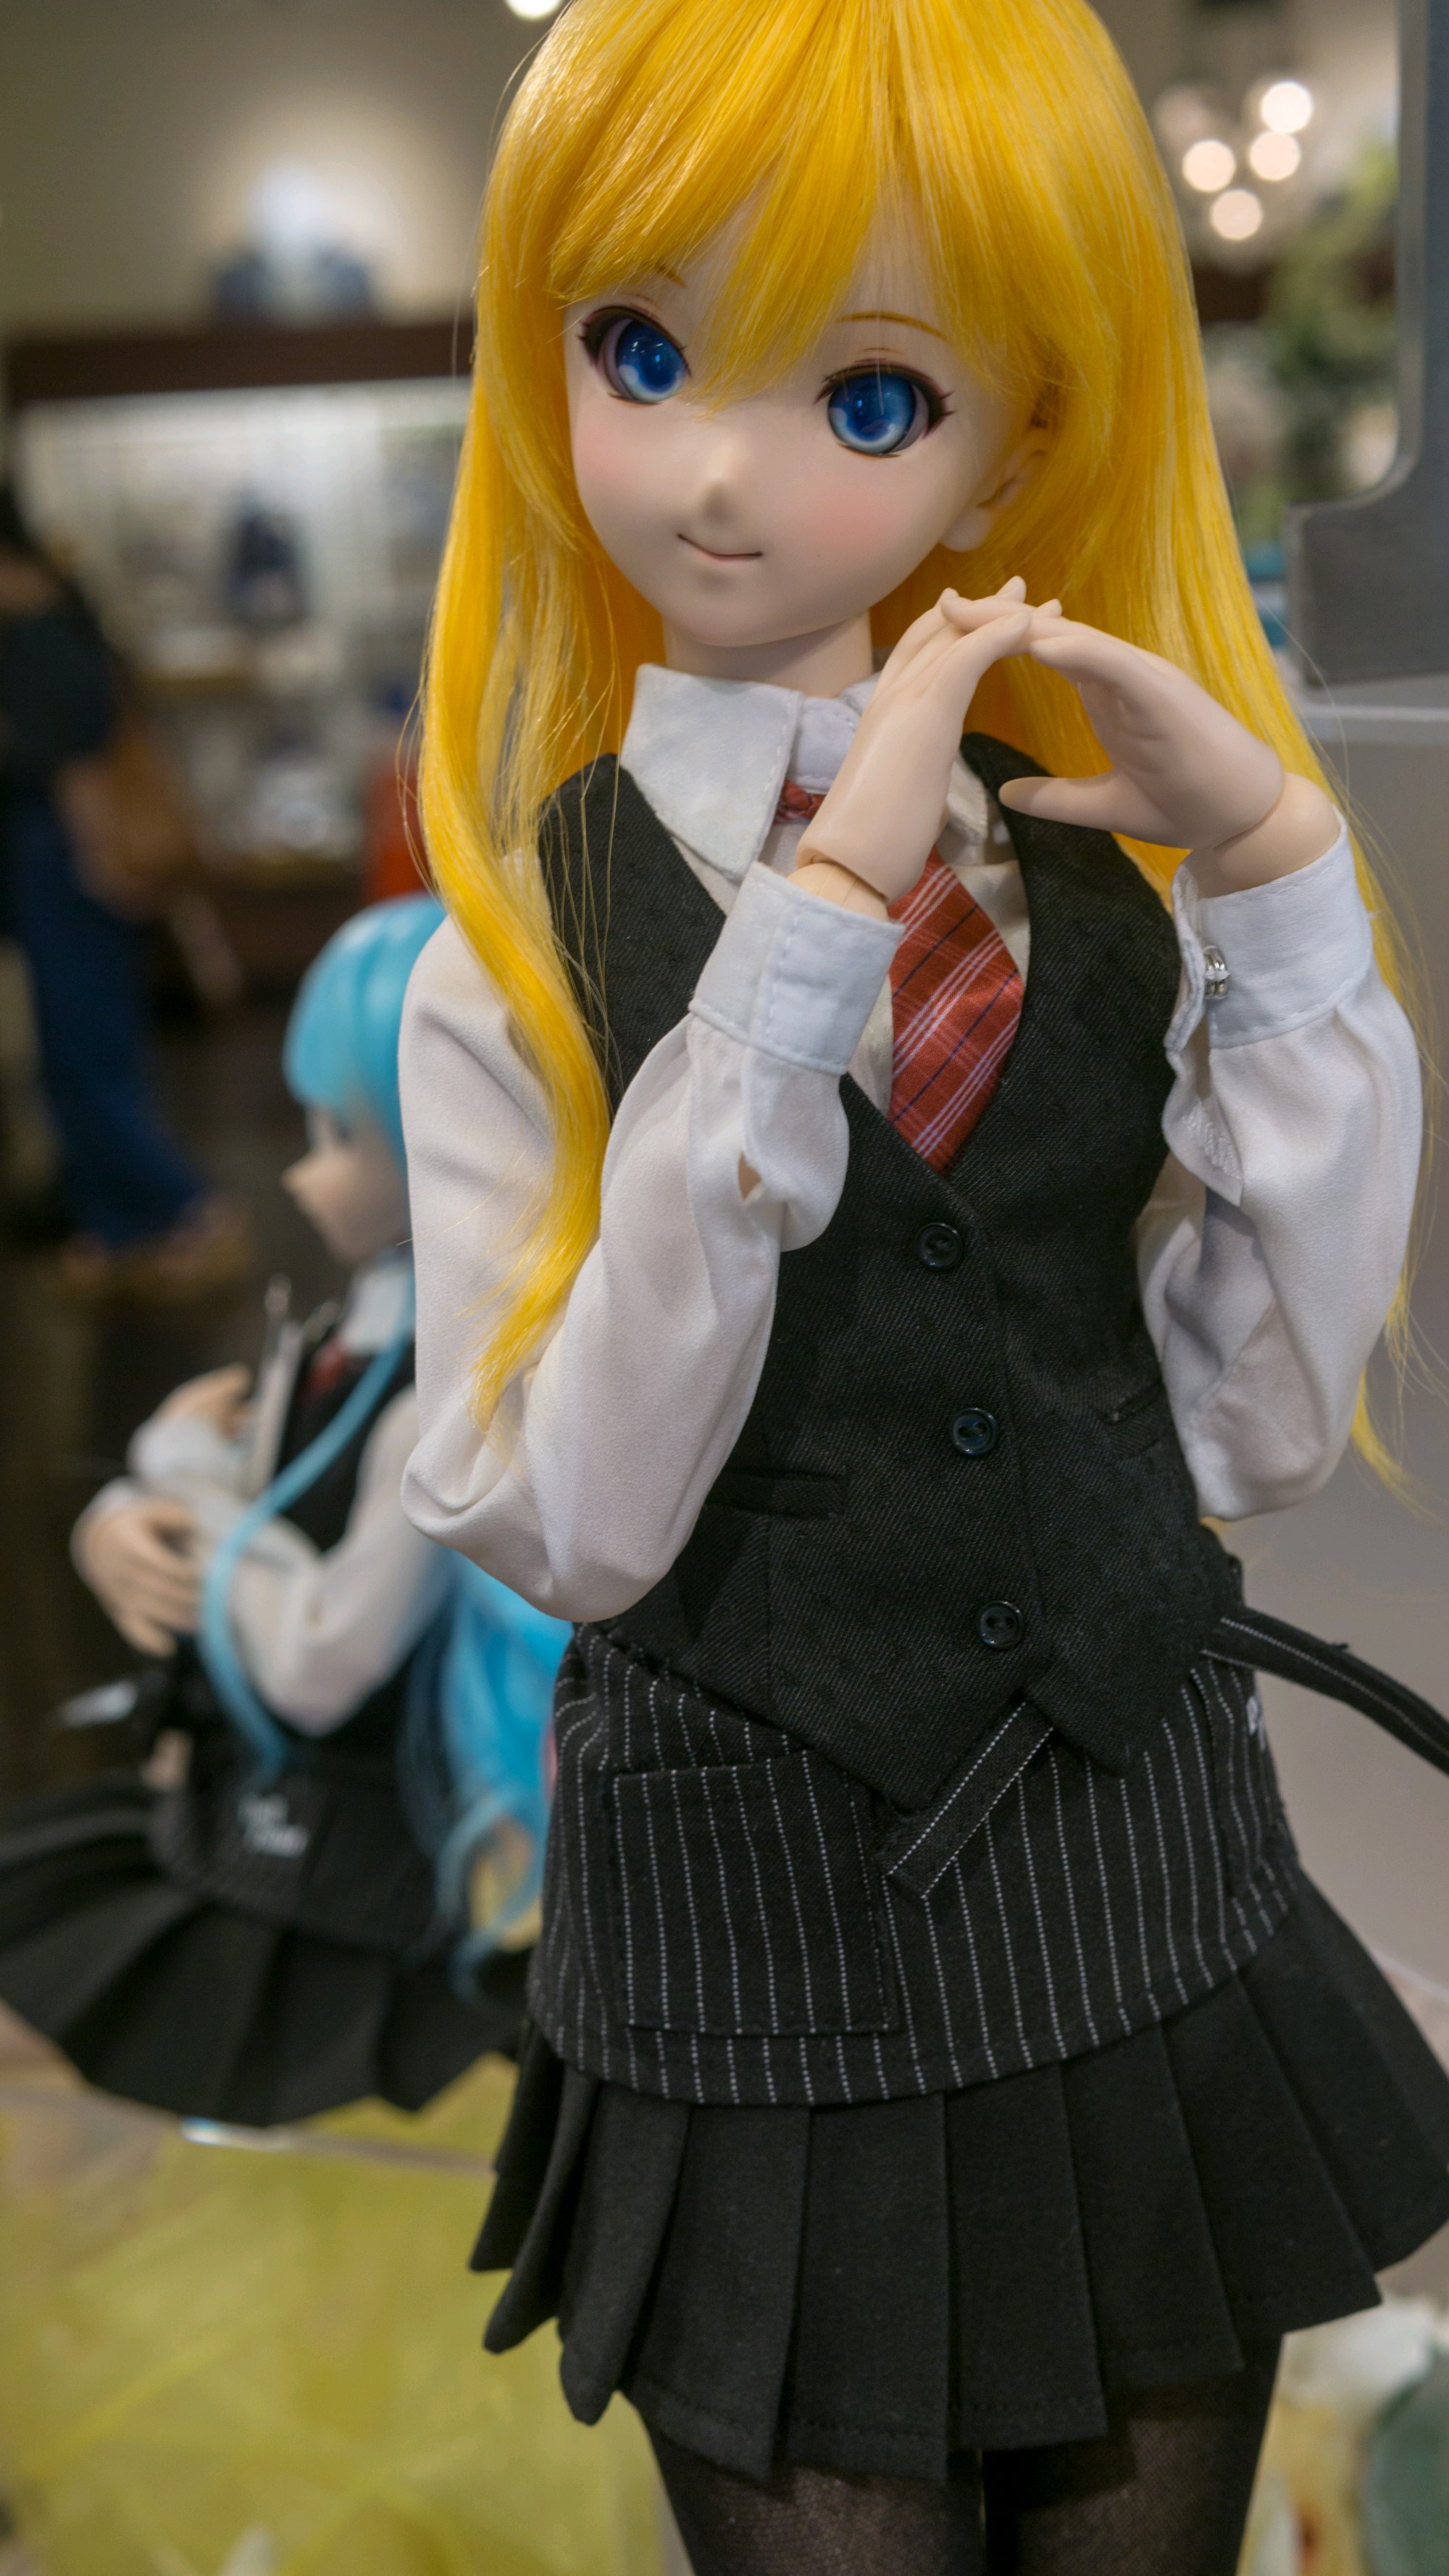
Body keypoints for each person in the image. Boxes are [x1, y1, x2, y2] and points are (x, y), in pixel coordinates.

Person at [397, 3, 1449, 2569]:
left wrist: (1285, 889)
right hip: (759, 1942)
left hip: (1139, 1878)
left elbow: (1244, 1433)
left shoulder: (1101, 886)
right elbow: (577, 1520)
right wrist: (799, 951)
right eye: (641, 351)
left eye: (866, 395)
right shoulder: (512, 954)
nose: (718, 470)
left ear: (1020, 435)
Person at [0, 896, 565, 2125]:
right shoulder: (337, 1339)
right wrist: (123, 1518)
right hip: (229, 1813)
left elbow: (319, 1660)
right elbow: (249, 1508)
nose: (304, 1171)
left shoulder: (447, 1403)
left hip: (346, 1887)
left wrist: (187, 1489)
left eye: (343, 1134)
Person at [0, 483, 249, 1298]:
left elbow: (74, 766)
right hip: (63, 870)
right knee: (83, 1055)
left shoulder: (41, 631)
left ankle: (187, 1211)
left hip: (67, 870)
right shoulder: (62, 618)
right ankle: (120, 1233)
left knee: (84, 1057)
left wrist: (102, 859)